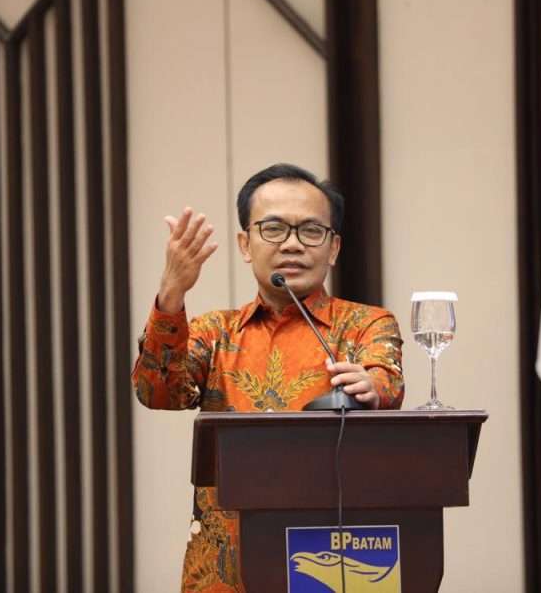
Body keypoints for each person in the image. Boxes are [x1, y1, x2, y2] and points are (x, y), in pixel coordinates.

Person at [132, 163, 404, 592]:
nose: (292, 244)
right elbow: (158, 392)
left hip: (334, 561)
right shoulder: (214, 332)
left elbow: (385, 378)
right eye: (274, 229)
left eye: (311, 231)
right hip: (227, 571)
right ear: (246, 244)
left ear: (333, 248)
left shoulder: (365, 325)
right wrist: (171, 295)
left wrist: (374, 389)